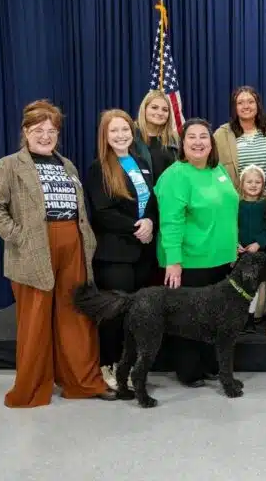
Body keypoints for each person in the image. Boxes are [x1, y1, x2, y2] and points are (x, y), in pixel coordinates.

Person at [0, 99, 115, 407]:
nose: (45, 135)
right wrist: (19, 236)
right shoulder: (9, 166)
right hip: (33, 250)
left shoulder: (67, 165)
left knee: (77, 316)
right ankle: (31, 389)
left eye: (52, 130)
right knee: (35, 321)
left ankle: (82, 382)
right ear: (25, 131)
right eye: (38, 129)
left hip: (73, 246)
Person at [155, 118, 239, 387]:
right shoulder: (175, 176)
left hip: (221, 259)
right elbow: (171, 221)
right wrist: (173, 261)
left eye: (204, 136)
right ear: (183, 142)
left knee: (213, 319)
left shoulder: (218, 171)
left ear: (211, 143)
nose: (198, 142)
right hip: (190, 262)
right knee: (188, 321)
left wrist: (232, 242)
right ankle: (188, 371)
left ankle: (209, 365)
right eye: (192, 136)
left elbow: (225, 211)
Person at [85, 109, 157, 389]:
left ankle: (130, 365)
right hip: (115, 254)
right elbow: (103, 212)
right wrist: (137, 228)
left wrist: (150, 221)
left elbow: (151, 199)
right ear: (105, 135)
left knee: (134, 314)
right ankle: (108, 365)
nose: (120, 135)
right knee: (113, 314)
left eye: (125, 129)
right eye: (113, 131)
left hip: (142, 253)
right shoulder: (98, 168)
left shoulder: (140, 162)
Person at [214, 86, 266, 193]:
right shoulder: (221, 135)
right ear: (235, 108)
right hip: (234, 201)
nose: (246, 106)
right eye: (240, 103)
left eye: (251, 102)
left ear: (258, 105)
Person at [237, 164, 266, 333]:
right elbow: (230, 226)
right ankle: (240, 317)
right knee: (240, 286)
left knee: (254, 286)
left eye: (258, 182)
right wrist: (235, 243)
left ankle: (251, 318)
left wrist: (259, 243)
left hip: (257, 253)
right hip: (239, 253)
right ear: (242, 184)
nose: (253, 185)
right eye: (249, 181)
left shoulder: (265, 204)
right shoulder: (236, 204)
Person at [132, 89, 180, 182]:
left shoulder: (175, 140)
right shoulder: (130, 136)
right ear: (144, 109)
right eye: (154, 107)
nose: (160, 113)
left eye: (165, 110)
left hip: (168, 194)